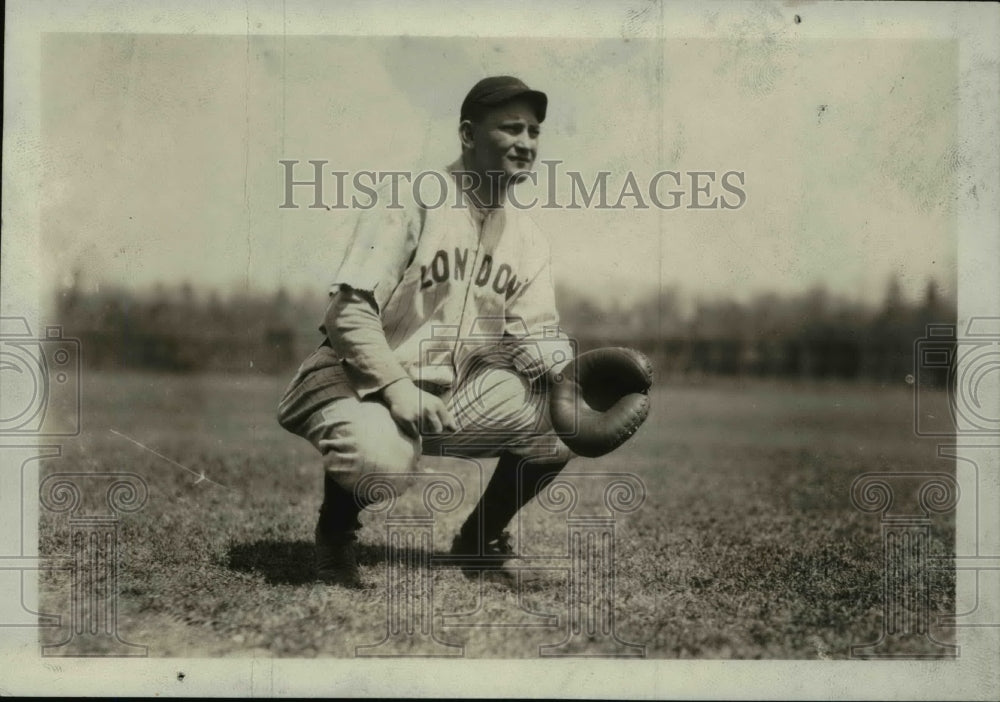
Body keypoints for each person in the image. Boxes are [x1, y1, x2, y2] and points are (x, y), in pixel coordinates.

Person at [277, 76, 575, 587]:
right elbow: (347, 311)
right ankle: (336, 532)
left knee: (558, 423)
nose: (526, 143)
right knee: (379, 460)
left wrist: (576, 376)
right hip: (360, 380)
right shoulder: (411, 199)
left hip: (450, 395)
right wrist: (394, 387)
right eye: (510, 128)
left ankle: (478, 541)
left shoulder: (528, 239)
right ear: (467, 133)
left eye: (533, 130)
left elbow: (536, 336)